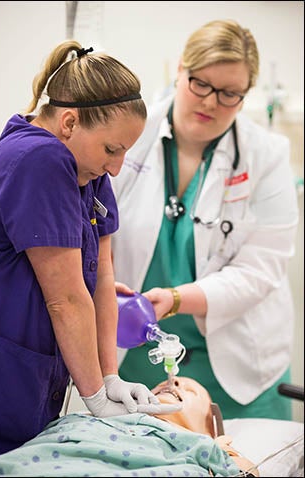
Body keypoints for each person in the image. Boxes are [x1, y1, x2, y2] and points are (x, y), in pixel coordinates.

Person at [0, 40, 180, 460]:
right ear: (70, 122)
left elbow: (102, 277)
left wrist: (110, 377)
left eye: (126, 151)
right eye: (112, 149)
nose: (116, 167)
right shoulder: (41, 158)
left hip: (32, 381)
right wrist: (94, 395)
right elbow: (66, 299)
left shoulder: (86, 169)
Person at [111, 19, 299, 421]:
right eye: (200, 83)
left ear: (245, 96)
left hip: (241, 372)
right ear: (180, 69)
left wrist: (178, 299)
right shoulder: (127, 138)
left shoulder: (266, 156)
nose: (211, 102)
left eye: (230, 93)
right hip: (138, 370)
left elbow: (261, 268)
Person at [0, 377, 259, 477]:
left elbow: (249, 472)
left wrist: (220, 451)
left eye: (188, 390)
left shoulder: (202, 451)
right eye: (162, 386)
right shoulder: (94, 420)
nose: (173, 383)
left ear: (208, 427)